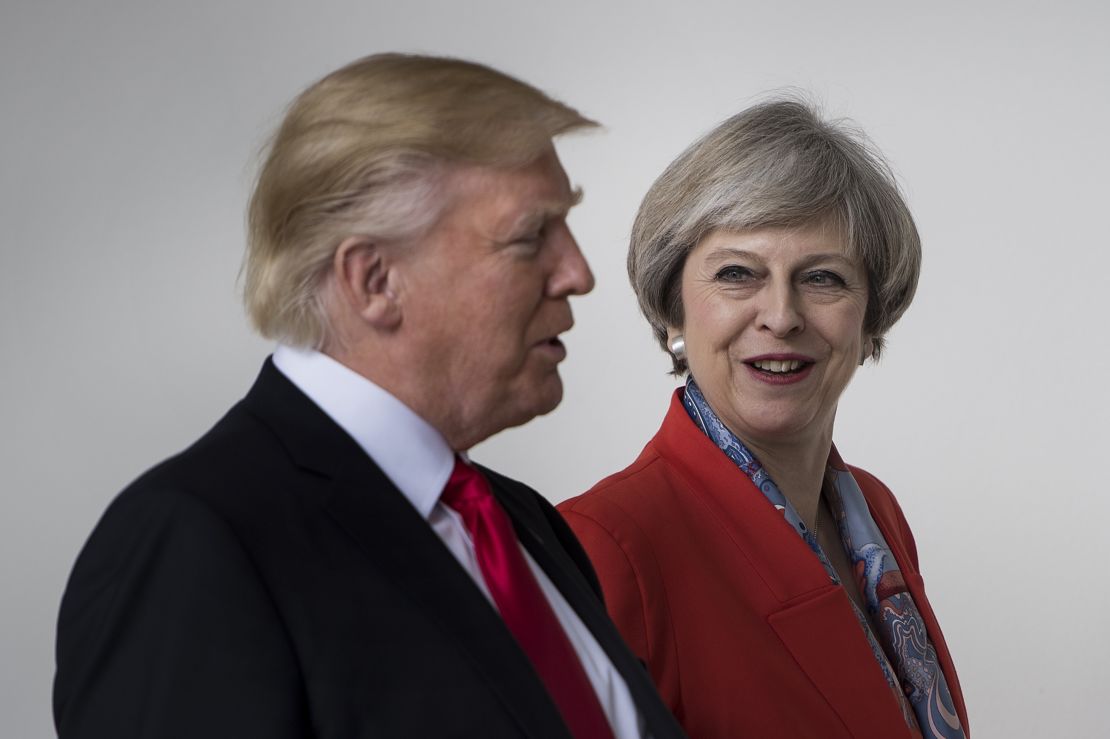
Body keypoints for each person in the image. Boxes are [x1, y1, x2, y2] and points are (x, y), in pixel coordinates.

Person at [53, 53, 686, 739]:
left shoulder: (522, 521)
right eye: (531, 235)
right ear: (375, 279)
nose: (578, 273)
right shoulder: (195, 543)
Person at [558, 99, 969, 739]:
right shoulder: (603, 547)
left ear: (869, 321)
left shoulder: (874, 513)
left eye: (824, 278)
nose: (781, 315)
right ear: (673, 313)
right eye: (737, 274)